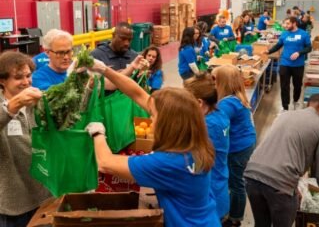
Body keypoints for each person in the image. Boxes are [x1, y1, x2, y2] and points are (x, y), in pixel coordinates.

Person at [84, 59, 221, 227]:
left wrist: (98, 133)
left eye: (153, 116)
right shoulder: (195, 141)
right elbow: (138, 95)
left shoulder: (168, 162)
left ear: (168, 124)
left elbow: (105, 163)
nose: (149, 119)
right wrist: (105, 70)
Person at [244, 94, 319, 227]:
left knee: (261, 223)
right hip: (279, 186)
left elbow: (283, 152)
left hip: (252, 175)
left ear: (308, 105)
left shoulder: (284, 116)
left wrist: (293, 186)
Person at [0, 51, 51, 227]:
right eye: (18, 77)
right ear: (2, 80)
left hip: (44, 196)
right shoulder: (4, 106)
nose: (26, 82)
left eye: (28, 76)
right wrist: (13, 106)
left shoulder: (36, 103)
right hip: (14, 203)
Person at [211, 65, 256, 227]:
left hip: (238, 148)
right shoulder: (236, 97)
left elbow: (215, 122)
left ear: (223, 81)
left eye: (214, 79)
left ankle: (235, 218)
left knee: (236, 182)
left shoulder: (228, 103)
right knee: (235, 180)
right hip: (245, 143)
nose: (212, 82)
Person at [184, 73, 230, 223]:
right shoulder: (220, 113)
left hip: (210, 198)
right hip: (220, 188)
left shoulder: (207, 126)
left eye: (185, 100)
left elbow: (190, 162)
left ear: (199, 102)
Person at [263, 17, 312, 112]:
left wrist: (299, 53)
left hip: (298, 65)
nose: (285, 25)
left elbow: (309, 48)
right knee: (284, 86)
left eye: (288, 23)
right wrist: (268, 51)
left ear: (294, 24)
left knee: (297, 85)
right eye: (285, 23)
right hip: (285, 63)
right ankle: (285, 107)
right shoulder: (284, 34)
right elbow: (278, 45)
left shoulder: (303, 34)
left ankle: (296, 101)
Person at [91, 22, 142, 93]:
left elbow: (137, 85)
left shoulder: (134, 57)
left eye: (129, 40)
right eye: (123, 39)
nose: (126, 43)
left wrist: (143, 74)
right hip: (105, 102)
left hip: (128, 102)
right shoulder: (97, 56)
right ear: (113, 36)